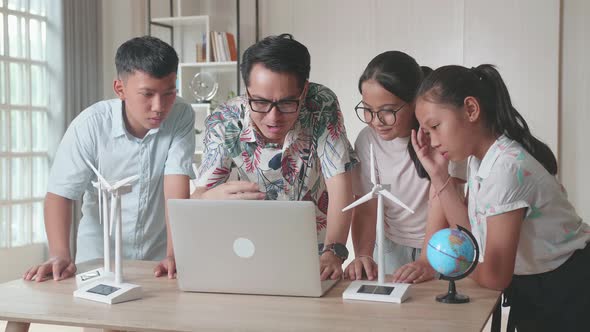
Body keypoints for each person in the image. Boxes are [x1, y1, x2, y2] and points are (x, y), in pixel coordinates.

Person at [410, 64, 590, 331]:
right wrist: (438, 176)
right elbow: (471, 239)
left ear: (471, 109)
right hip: (536, 283)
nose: (433, 141)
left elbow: (495, 277)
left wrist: (458, 266)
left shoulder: (506, 168)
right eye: (427, 132)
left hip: (569, 286)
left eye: (435, 126)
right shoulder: (481, 160)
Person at [23, 36, 195, 282]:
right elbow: (61, 193)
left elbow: (175, 183)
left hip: (157, 258)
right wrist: (59, 254)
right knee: (97, 318)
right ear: (120, 89)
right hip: (98, 256)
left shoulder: (181, 115)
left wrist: (173, 253)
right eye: (147, 94)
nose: (159, 106)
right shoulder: (90, 126)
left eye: (169, 93)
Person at [192, 34, 357, 280]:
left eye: (287, 103)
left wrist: (335, 250)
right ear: (246, 89)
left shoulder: (321, 104)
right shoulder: (225, 119)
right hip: (243, 249)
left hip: (313, 254)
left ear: (304, 90)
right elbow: (196, 198)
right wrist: (207, 199)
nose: (273, 117)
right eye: (259, 102)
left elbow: (340, 182)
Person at [343, 51, 465, 283]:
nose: (376, 121)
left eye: (387, 111)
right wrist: (363, 254)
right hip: (390, 246)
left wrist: (427, 261)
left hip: (443, 246)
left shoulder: (440, 137)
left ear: (413, 103)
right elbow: (367, 206)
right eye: (367, 109)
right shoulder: (368, 140)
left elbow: (442, 197)